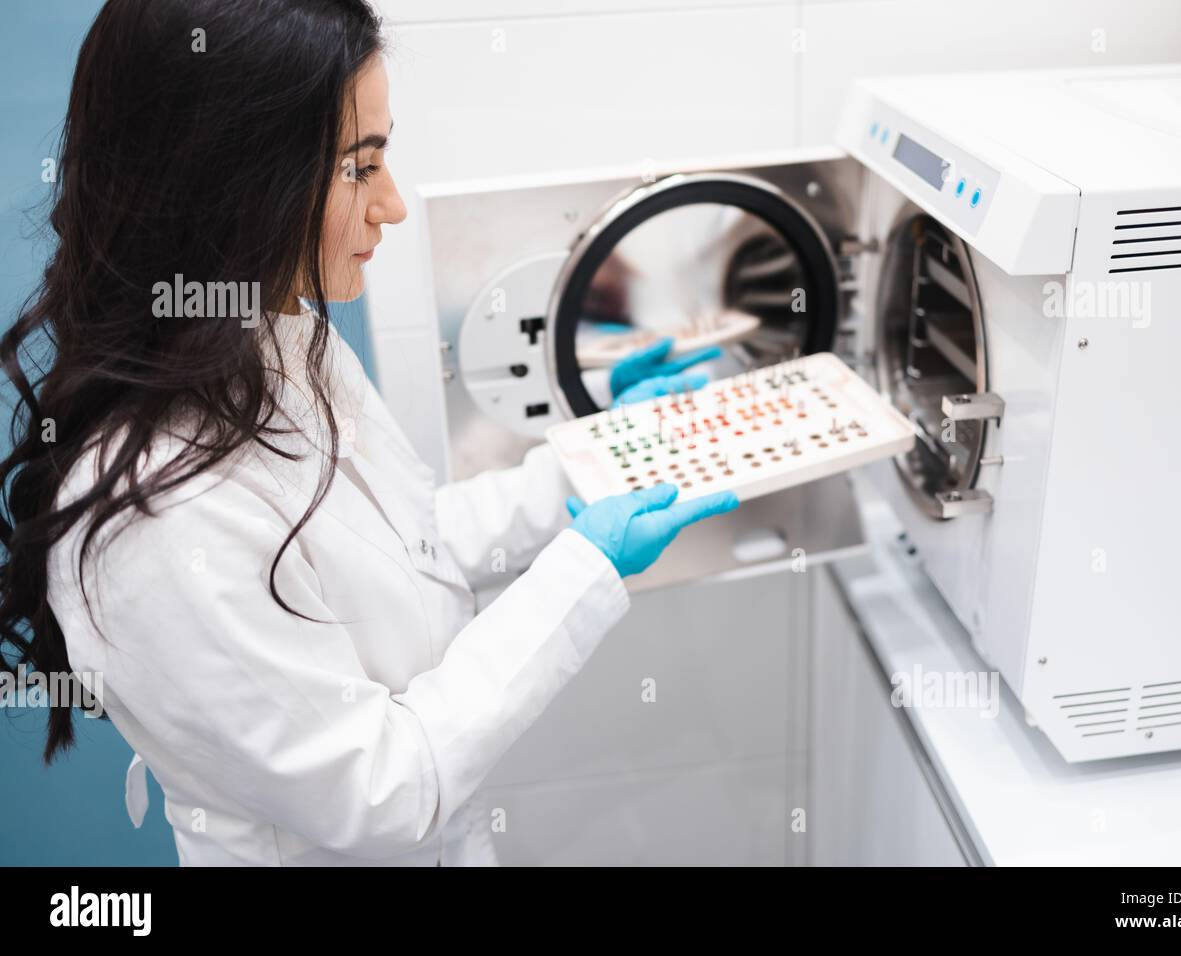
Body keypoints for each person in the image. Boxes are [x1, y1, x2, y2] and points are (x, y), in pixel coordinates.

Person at [0, 0, 737, 866]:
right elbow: (389, 791)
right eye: (361, 167)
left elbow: (406, 550)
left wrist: (586, 462)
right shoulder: (156, 526)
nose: (391, 205)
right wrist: (587, 567)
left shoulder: (280, 334)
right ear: (232, 177)